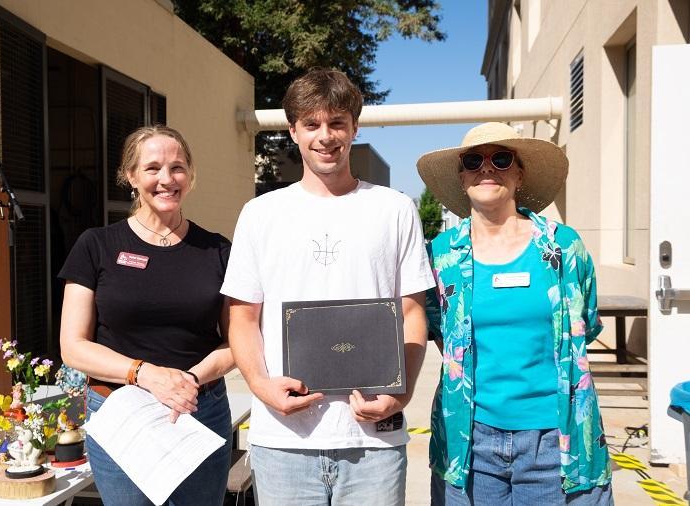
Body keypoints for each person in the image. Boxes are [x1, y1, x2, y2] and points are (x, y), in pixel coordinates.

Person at [221, 68, 435, 505]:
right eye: (312, 124)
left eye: (337, 123)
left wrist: (402, 391)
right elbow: (241, 317)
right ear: (293, 131)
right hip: (283, 441)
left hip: (374, 439)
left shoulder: (394, 209)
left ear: (354, 128)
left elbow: (413, 311)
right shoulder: (261, 214)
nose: (326, 135)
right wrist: (262, 387)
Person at [417, 122, 612, 505]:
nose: (486, 168)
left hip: (558, 440)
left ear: (519, 173)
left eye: (501, 159)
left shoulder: (563, 247)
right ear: (461, 176)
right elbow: (439, 331)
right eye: (474, 160)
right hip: (470, 443)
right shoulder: (441, 255)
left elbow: (583, 325)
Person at [59, 125, 233, 506]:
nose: (166, 179)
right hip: (122, 411)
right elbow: (72, 347)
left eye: (178, 167)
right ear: (130, 176)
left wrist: (189, 379)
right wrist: (147, 374)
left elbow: (236, 341)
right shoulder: (97, 245)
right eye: (153, 168)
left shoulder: (217, 249)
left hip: (199, 409)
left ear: (190, 176)